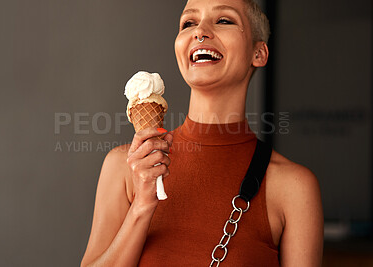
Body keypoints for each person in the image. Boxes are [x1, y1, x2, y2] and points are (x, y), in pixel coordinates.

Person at [81, 0, 324, 266]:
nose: (200, 31)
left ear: (259, 53)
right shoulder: (126, 167)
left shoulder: (294, 187)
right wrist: (141, 207)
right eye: (189, 23)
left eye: (224, 20)